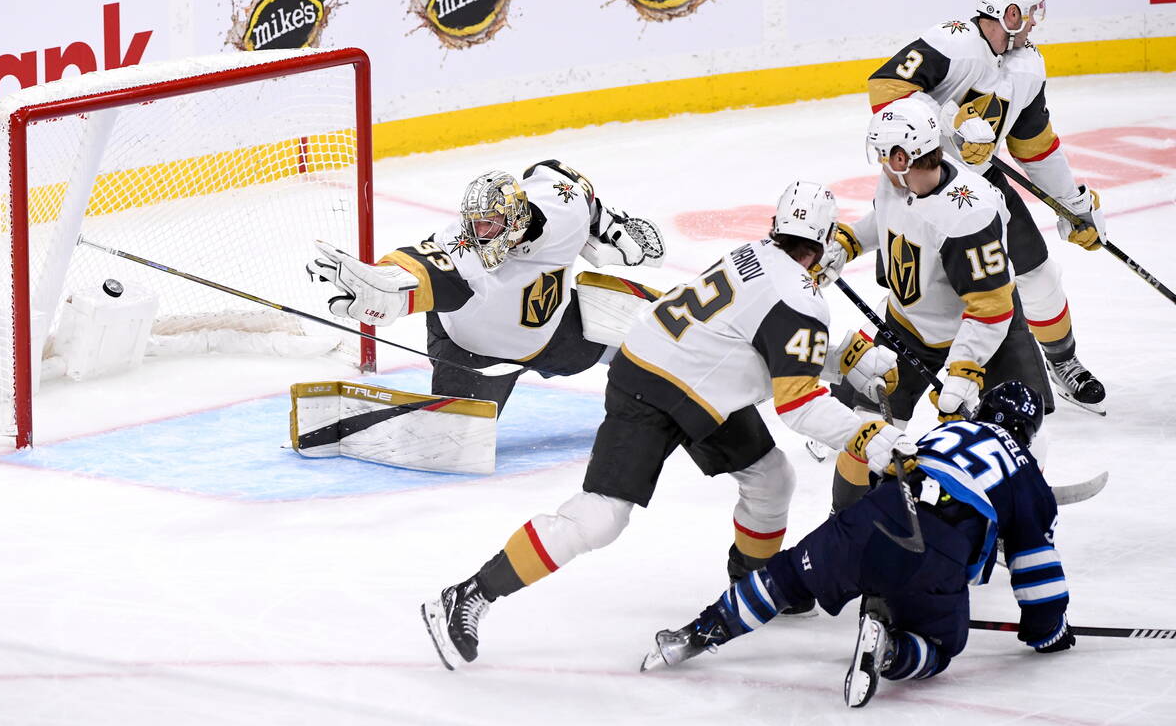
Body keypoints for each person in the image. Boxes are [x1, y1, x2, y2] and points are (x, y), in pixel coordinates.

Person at [420, 181, 914, 670]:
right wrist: (866, 434)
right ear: (825, 240)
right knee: (600, 517)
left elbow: (756, 338)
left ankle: (755, 583)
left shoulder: (753, 254)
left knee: (771, 476)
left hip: (687, 375)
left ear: (776, 227)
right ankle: (469, 593)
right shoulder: (802, 301)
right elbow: (799, 405)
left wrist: (843, 355)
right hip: (654, 393)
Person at [642, 380, 1074, 709]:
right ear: (1030, 433)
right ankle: (890, 651)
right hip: (935, 553)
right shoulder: (1029, 479)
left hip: (871, 517)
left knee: (787, 576)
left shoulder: (950, 431)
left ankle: (699, 632)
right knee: (941, 647)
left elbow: (882, 474)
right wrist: (1047, 630)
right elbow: (1036, 567)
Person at [864, 0, 1107, 414]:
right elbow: (885, 88)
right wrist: (950, 128)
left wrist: (1073, 205)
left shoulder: (1029, 67)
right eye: (1030, 13)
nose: (1035, 22)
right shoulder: (953, 40)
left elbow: (1034, 146)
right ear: (1009, 13)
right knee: (914, 297)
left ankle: (1064, 361)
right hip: (924, 182)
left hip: (980, 188)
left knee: (1039, 276)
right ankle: (865, 390)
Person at [820, 97, 1053, 512]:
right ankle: (848, 521)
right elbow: (890, 220)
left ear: (902, 156)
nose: (879, 164)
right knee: (864, 431)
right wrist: (850, 241)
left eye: (883, 155)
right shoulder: (898, 180)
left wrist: (964, 370)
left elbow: (991, 307)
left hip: (985, 331)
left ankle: (1006, 514)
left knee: (1014, 429)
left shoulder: (969, 215)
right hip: (907, 323)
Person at [308, 160, 664, 417]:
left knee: (660, 338)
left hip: (555, 331)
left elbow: (562, 178)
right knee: (457, 434)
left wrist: (609, 225)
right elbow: (428, 266)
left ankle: (677, 365)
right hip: (475, 352)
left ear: (516, 217)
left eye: (490, 225)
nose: (480, 236)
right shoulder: (462, 245)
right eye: (475, 225)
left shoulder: (561, 209)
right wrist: (387, 287)